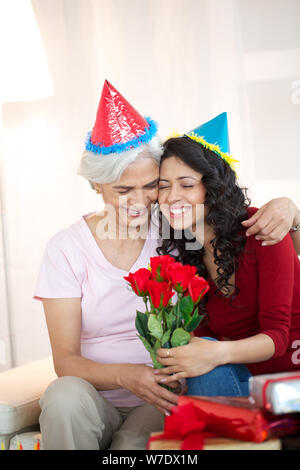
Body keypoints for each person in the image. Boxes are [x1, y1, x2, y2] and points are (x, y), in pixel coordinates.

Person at [34, 86, 298, 450]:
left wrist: (290, 210)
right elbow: (65, 361)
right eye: (124, 189)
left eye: (149, 186)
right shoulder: (72, 248)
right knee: (65, 397)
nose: (142, 201)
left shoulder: (175, 230)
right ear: (96, 184)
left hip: (172, 390)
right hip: (104, 392)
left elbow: (261, 239)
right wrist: (130, 376)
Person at [154, 113, 300, 398]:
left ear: (214, 188)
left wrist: (213, 352)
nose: (171, 197)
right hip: (241, 381)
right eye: (163, 186)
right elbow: (205, 339)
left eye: (186, 185)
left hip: (290, 379)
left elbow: (278, 337)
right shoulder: (184, 253)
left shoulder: (261, 228)